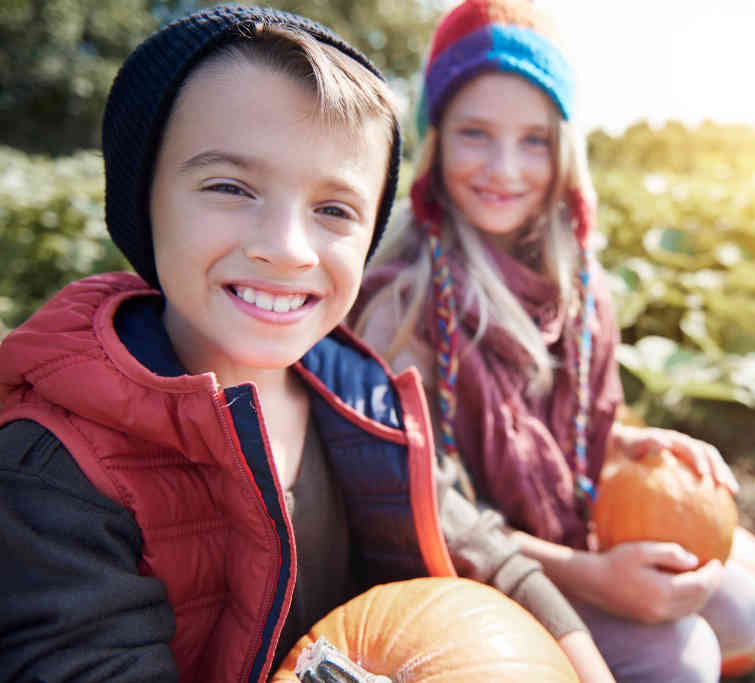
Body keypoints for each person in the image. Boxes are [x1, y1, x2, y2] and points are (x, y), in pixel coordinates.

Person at [0, 6, 615, 681]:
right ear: (142, 196)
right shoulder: (58, 467)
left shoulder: (362, 399)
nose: (289, 249)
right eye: (230, 188)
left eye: (333, 210)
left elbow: (485, 550)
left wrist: (586, 666)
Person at [352, 1, 755, 680]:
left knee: (744, 607)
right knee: (686, 655)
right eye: (475, 133)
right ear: (436, 140)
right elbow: (427, 515)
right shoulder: (404, 303)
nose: (505, 168)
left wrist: (625, 444)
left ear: (564, 149)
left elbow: (571, 427)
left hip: (556, 532)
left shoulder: (576, 279)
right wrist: (591, 577)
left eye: (534, 140)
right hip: (466, 573)